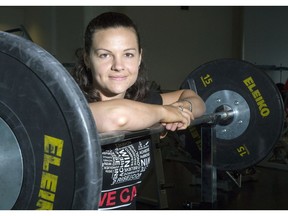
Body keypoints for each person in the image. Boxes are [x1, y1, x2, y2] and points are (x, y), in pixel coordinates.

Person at [71, 11, 206, 210]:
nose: (118, 66)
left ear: (140, 57)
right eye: (105, 55)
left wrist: (182, 109)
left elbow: (194, 98)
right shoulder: (70, 104)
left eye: (128, 54)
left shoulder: (143, 102)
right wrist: (163, 113)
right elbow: (117, 116)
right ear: (87, 59)